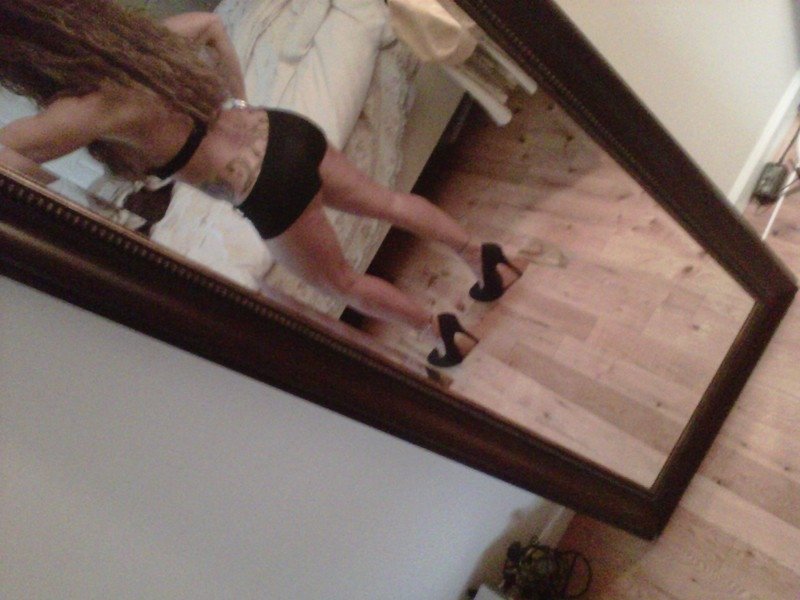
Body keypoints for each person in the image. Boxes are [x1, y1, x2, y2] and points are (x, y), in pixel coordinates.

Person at [0, 0, 521, 367]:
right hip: (282, 129)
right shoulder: (141, 46)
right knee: (388, 202)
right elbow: (211, 25)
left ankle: (442, 334)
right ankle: (485, 259)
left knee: (341, 284)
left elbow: (10, 158)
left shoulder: (86, 108)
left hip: (264, 186)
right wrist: (240, 100)